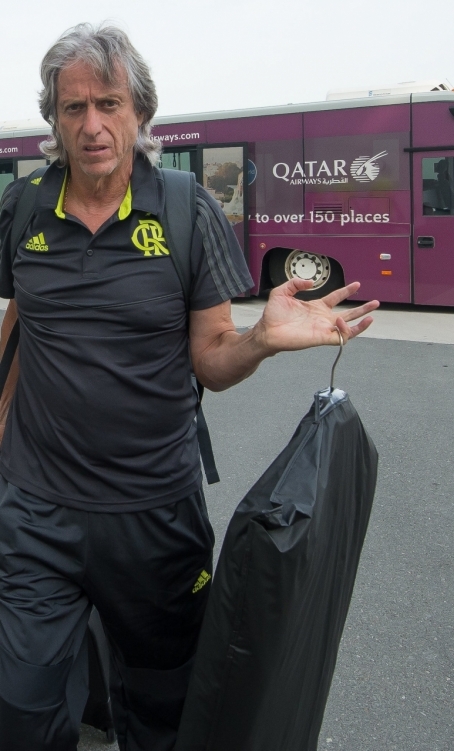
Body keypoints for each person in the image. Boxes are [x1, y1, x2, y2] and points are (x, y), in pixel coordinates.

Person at [0, 23, 378, 751]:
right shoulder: (22, 208)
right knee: (18, 707)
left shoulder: (185, 210)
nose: (92, 125)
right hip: (36, 511)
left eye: (109, 104)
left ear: (140, 113)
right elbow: (22, 314)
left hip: (154, 514)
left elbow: (211, 361)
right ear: (54, 120)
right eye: (74, 107)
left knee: (162, 708)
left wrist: (260, 339)